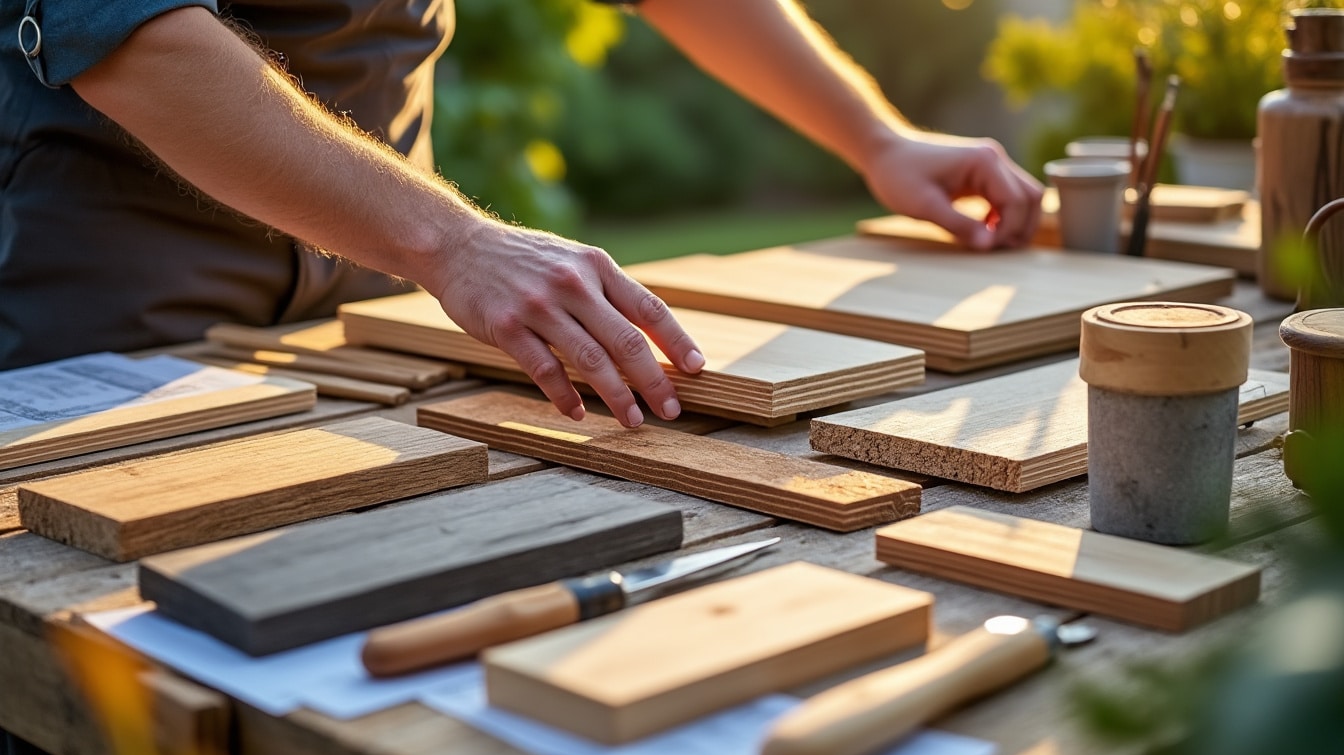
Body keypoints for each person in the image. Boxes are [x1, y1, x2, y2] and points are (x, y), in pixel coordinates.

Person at [1, 0, 1042, 431]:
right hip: (106, 302)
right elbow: (135, 39)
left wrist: (875, 139)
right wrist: (455, 242)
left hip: (372, 304)